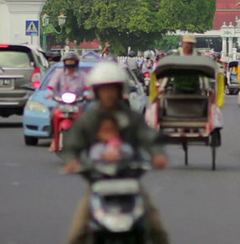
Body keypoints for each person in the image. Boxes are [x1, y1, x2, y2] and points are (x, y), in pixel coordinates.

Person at [62, 62, 169, 244]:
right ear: (96, 92)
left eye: (112, 89)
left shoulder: (131, 117)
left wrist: (158, 155)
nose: (108, 94)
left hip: (129, 182)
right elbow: (72, 145)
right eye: (104, 90)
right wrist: (72, 161)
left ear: (120, 91)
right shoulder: (88, 120)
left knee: (155, 226)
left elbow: (148, 137)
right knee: (78, 232)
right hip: (99, 183)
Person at [46, 52, 86, 152]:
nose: (70, 65)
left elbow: (88, 87)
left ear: (76, 63)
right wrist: (50, 93)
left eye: (72, 62)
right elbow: (52, 85)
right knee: (52, 116)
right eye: (68, 62)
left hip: (77, 103)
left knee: (86, 118)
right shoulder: (59, 73)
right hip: (61, 103)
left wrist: (88, 94)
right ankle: (53, 139)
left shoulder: (82, 75)